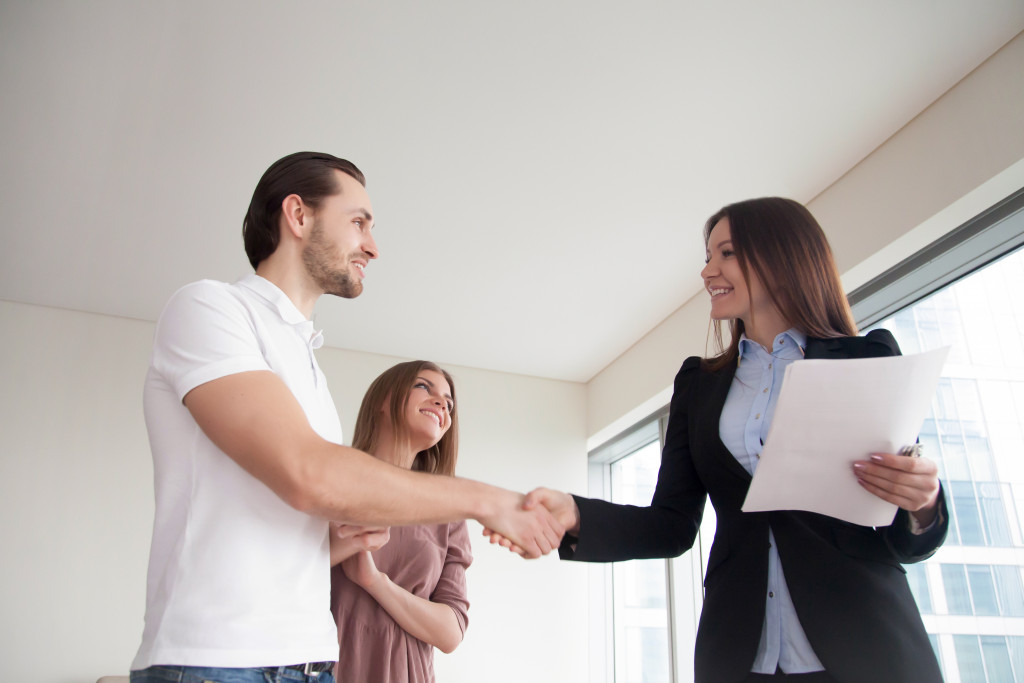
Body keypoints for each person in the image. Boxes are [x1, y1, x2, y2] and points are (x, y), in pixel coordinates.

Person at [130, 152, 562, 683]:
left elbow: (294, 528)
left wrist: (348, 542)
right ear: (298, 215)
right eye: (359, 222)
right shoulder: (209, 309)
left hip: (311, 665)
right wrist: (491, 501)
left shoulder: (310, 369)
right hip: (217, 662)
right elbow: (307, 472)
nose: (373, 247)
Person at [491, 197, 948, 683]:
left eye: (725, 253)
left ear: (781, 255)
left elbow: (905, 536)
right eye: (707, 257)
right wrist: (577, 513)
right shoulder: (699, 383)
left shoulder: (867, 357)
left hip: (865, 646)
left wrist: (924, 503)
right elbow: (671, 524)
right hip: (740, 654)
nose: (708, 271)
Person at [330, 360, 471, 682]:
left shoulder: (448, 511)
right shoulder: (330, 477)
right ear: (382, 400)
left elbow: (450, 633)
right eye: (423, 387)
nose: (441, 404)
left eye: (448, 403)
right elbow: (276, 568)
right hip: (319, 667)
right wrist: (343, 544)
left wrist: (375, 582)